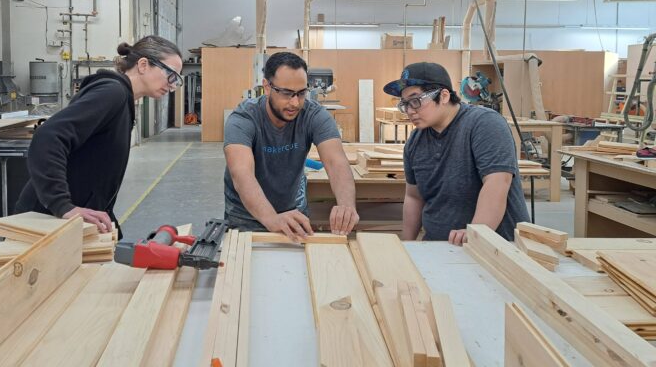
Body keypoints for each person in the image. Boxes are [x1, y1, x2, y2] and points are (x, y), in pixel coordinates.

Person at [14, 36, 183, 236]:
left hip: (72, 221)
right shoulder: (112, 93)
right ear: (143, 65)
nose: (172, 86)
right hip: (47, 220)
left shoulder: (123, 100)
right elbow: (48, 136)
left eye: (176, 81)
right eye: (171, 75)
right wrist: (62, 205)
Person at [383, 62, 530, 246]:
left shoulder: (484, 124)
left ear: (443, 96)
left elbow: (497, 183)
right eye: (405, 104)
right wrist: (408, 244)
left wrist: (476, 233)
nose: (410, 111)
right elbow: (414, 197)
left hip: (496, 248)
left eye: (416, 101)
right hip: (440, 248)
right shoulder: (415, 141)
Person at [224, 52, 359, 241]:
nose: (295, 103)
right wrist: (272, 219)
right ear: (267, 87)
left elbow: (336, 161)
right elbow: (241, 174)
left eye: (301, 93)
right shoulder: (243, 119)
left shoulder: (314, 115)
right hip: (246, 218)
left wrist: (346, 205)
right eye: (287, 93)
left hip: (294, 214)